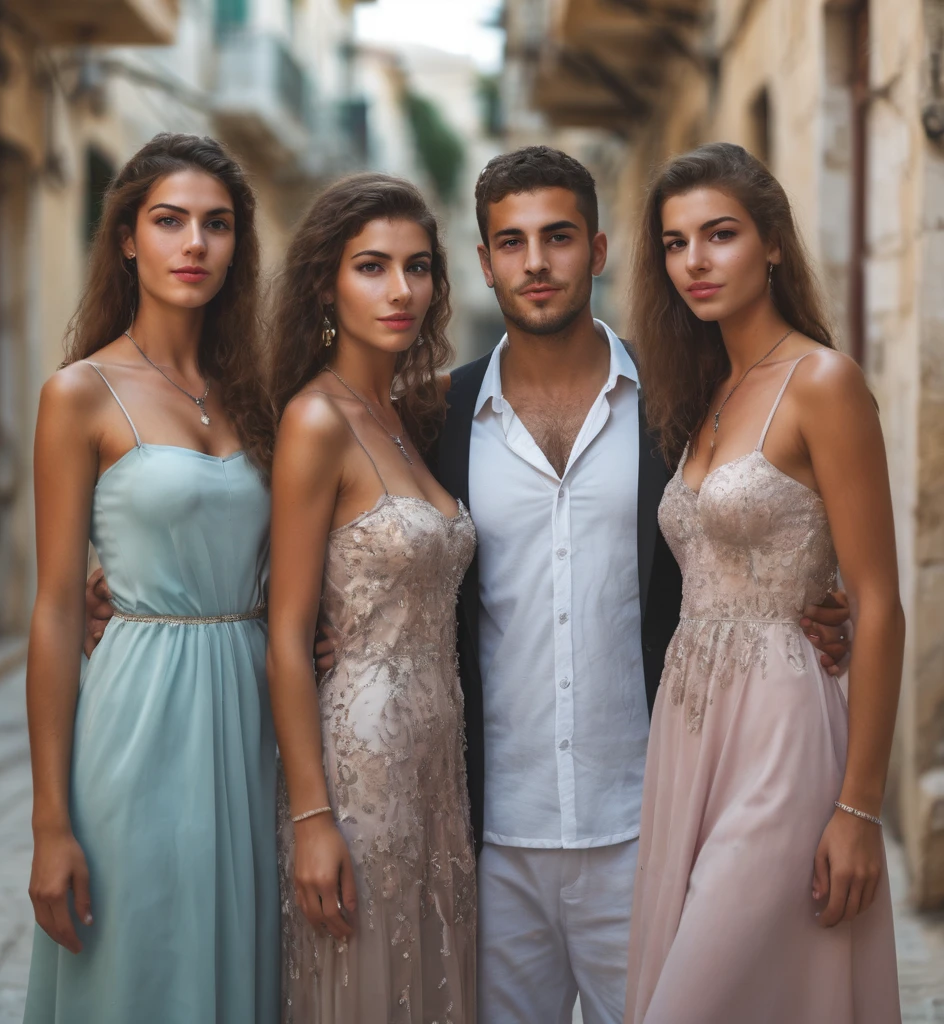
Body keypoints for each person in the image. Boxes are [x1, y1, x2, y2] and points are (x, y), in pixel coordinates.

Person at [433, 146, 852, 1024]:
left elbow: (756, 529)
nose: (536, 263)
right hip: (491, 838)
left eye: (557, 237)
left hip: (653, 820)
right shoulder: (434, 418)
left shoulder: (684, 401)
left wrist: (816, 603)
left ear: (600, 248)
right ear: (483, 264)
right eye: (511, 243)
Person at [622, 142, 902, 1023]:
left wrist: (860, 808)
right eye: (675, 244)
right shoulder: (704, 388)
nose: (694, 263)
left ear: (772, 243)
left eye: (720, 235)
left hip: (784, 727)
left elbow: (882, 603)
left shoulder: (823, 382)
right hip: (689, 728)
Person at [23, 133, 279, 1024]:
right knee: (141, 968)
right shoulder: (80, 394)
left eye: (216, 225)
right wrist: (49, 823)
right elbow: (57, 611)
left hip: (250, 719)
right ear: (128, 238)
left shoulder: (260, 394)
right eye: (169, 221)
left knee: (243, 967)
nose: (194, 244)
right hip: (135, 719)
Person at [264, 174, 476, 1023]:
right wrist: (314, 817)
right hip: (359, 763)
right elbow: (287, 636)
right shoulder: (317, 419)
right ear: (327, 283)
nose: (401, 290)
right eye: (372, 266)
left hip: (437, 759)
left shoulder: (405, 416)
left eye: (418, 267)